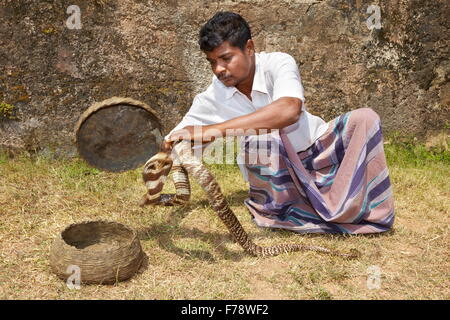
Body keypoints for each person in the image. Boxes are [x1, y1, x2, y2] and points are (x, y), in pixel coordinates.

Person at [163, 11, 395, 234]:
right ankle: (282, 210)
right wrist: (165, 157)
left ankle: (353, 205)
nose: (219, 70)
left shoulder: (278, 63)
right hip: (278, 177)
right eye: (212, 62)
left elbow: (289, 111)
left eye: (225, 58)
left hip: (318, 152)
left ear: (249, 48)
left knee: (365, 118)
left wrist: (214, 130)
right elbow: (175, 141)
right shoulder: (211, 97)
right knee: (260, 139)